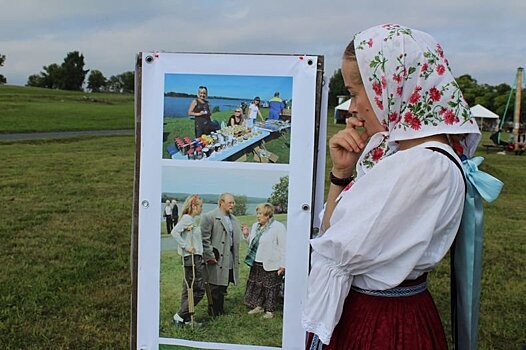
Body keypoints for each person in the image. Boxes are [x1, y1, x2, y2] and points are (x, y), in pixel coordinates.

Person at [302, 24, 481, 349]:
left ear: (392, 87)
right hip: (370, 313)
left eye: (356, 93)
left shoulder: (424, 167)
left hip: (382, 325)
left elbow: (336, 250)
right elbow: (332, 234)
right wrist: (341, 174)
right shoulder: (398, 155)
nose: (351, 108)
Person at [200, 193, 242, 316]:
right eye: (230, 202)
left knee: (224, 283)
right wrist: (210, 256)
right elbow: (204, 239)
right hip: (215, 258)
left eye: (233, 202)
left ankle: (220, 309)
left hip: (228, 257)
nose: (232, 205)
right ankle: (213, 311)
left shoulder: (234, 219)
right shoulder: (209, 217)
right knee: (214, 285)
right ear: (221, 202)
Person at [243, 203, 286, 319]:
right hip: (256, 261)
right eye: (257, 213)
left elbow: (284, 247)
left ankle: (270, 310)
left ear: (267, 215)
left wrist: (283, 265)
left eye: (260, 213)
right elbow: (253, 243)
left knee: (270, 287)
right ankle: (259, 306)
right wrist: (246, 235)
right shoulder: (255, 226)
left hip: (272, 263)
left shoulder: (278, 227)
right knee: (257, 285)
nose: (258, 216)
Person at [171, 195, 205, 327]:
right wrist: (186, 246)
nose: (202, 208)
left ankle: (185, 320)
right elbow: (174, 232)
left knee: (188, 289)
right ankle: (179, 315)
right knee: (198, 290)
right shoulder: (186, 219)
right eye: (200, 206)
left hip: (195, 256)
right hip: (191, 257)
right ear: (194, 206)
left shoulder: (192, 219)